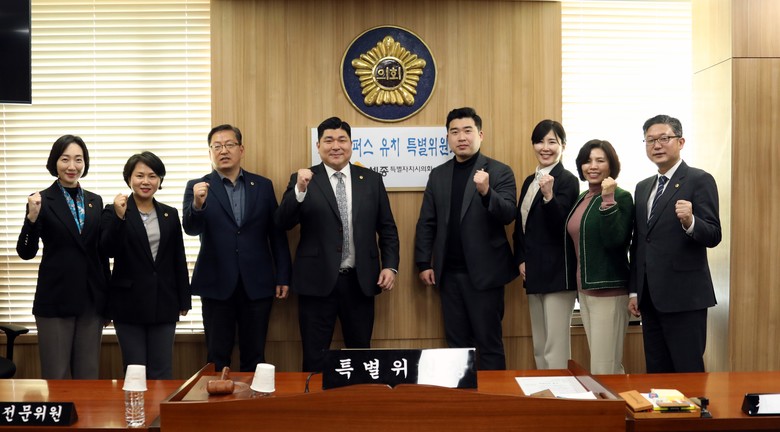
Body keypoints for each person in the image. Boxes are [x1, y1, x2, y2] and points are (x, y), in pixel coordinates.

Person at [276, 116, 399, 373]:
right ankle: (313, 399)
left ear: (351, 144)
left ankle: (359, 397)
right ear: (318, 145)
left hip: (360, 281)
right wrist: (300, 189)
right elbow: (283, 222)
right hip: (316, 282)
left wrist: (390, 266)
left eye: (342, 140)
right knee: (314, 354)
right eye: (328, 140)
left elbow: (387, 228)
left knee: (360, 353)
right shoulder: (303, 179)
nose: (336, 146)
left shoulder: (371, 180)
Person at [414, 107, 518, 370]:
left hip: (485, 275)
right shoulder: (438, 174)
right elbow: (427, 221)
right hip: (448, 275)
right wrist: (424, 263)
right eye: (455, 132)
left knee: (489, 343)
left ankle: (494, 394)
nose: (461, 137)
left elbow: (508, 214)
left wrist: (487, 192)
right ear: (448, 138)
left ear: (480, 135)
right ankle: (464, 394)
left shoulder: (500, 171)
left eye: (468, 131)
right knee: (457, 346)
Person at [183, 124, 292, 372]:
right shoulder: (197, 186)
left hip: (257, 283)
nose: (223, 151)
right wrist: (198, 204)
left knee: (255, 355)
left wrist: (283, 275)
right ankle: (217, 398)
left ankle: (251, 398)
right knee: (217, 356)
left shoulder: (262, 186)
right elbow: (190, 229)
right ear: (210, 152)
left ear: (241, 149)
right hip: (216, 283)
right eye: (217, 146)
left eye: (229, 145)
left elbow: (276, 233)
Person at [629, 114, 721, 373]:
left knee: (687, 371)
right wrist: (635, 291)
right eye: (650, 140)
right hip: (650, 298)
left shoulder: (699, 179)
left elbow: (713, 234)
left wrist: (691, 221)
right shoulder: (643, 187)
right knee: (656, 372)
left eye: (664, 138)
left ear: (680, 142)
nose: (657, 145)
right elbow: (640, 243)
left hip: (685, 298)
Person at [16, 135, 108, 379]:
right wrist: (31, 219)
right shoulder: (41, 200)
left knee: (88, 375)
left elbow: (100, 254)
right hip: (55, 299)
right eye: (65, 159)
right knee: (57, 375)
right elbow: (26, 252)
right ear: (54, 162)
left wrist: (106, 302)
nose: (72, 166)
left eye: (78, 159)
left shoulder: (95, 201)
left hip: (90, 301)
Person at [101, 152, 191, 379]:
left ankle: (160, 406)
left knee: (162, 371)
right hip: (128, 304)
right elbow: (108, 250)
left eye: (152, 176)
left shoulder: (170, 214)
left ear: (160, 180)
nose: (146, 181)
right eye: (139, 175)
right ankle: (135, 406)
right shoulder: (113, 210)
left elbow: (178, 258)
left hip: (164, 302)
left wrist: (184, 299)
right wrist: (119, 218)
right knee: (135, 371)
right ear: (129, 179)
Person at [513, 120, 579, 370]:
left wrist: (550, 196)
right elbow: (521, 226)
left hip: (557, 274)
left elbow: (563, 226)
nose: (545, 147)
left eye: (552, 142)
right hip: (533, 272)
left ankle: (560, 391)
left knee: (555, 345)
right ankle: (545, 389)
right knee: (540, 344)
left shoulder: (568, 180)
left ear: (563, 146)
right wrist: (520, 259)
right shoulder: (530, 180)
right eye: (540, 141)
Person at [564, 140, 634, 374]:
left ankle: (613, 399)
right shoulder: (583, 197)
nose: (592, 166)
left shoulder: (621, 197)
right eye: (587, 161)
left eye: (600, 160)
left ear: (611, 165)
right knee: (603, 363)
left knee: (605, 367)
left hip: (609, 291)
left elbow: (615, 240)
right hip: (585, 290)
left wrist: (608, 198)